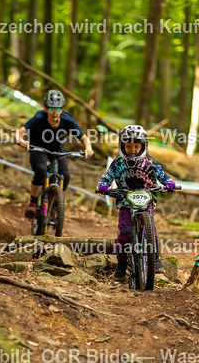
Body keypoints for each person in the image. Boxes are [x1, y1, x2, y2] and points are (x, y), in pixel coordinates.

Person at [96, 124, 177, 280]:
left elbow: (163, 175)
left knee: (150, 230)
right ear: (122, 146)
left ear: (142, 146)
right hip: (126, 203)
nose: (132, 149)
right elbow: (107, 177)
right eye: (128, 146)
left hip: (146, 204)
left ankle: (156, 259)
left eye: (136, 146)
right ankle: (120, 265)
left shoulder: (150, 164)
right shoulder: (117, 163)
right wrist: (103, 186)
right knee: (125, 233)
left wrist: (169, 183)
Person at [15, 90, 93, 218]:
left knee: (65, 176)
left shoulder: (67, 120)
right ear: (46, 109)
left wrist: (88, 149)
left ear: (61, 109)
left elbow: (84, 138)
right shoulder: (38, 118)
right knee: (41, 169)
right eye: (51, 109)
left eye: (57, 109)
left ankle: (56, 205)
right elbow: (19, 132)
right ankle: (33, 203)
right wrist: (21, 141)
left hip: (56, 149)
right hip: (37, 147)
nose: (54, 113)